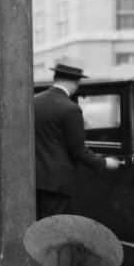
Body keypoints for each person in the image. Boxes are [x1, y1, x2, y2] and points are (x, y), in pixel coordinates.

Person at [34, 62, 120, 219]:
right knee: (53, 226)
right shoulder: (70, 108)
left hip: (34, 178)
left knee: (38, 223)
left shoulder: (33, 102)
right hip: (57, 183)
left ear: (56, 78)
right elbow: (78, 150)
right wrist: (105, 163)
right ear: (74, 83)